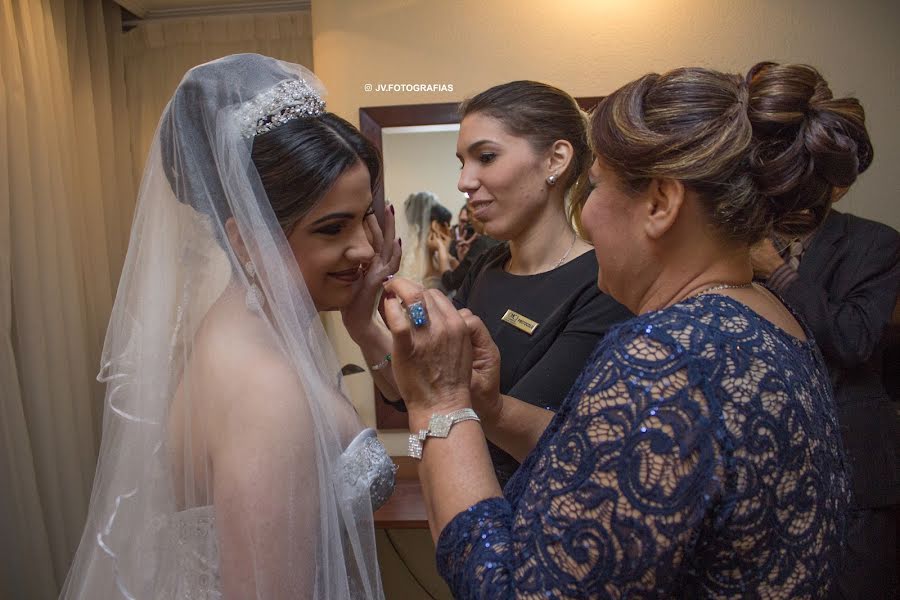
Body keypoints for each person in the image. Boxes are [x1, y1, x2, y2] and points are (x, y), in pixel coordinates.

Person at [382, 62, 859, 597]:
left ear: (659, 203)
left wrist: (441, 404)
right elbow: (613, 466)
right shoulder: (771, 317)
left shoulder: (666, 355)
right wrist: (490, 410)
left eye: (594, 187)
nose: (585, 214)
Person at [60, 54, 399, 599]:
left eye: (365, 217)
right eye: (333, 228)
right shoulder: (266, 391)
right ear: (245, 238)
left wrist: (366, 326)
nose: (364, 247)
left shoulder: (240, 327)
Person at [347, 81, 632, 486]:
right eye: (462, 162)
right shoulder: (488, 265)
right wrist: (363, 325)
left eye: (485, 157)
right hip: (460, 495)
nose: (465, 181)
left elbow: (565, 446)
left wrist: (481, 402)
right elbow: (417, 389)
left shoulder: (601, 284)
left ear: (556, 159)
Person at [749, 113, 899, 595]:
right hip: (764, 461)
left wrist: (778, 273)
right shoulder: (737, 237)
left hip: (854, 459)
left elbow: (853, 340)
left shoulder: (875, 244)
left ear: (838, 188)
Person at [398, 191, 454, 291]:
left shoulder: (409, 257)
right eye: (446, 225)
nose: (449, 231)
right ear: (435, 226)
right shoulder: (430, 262)